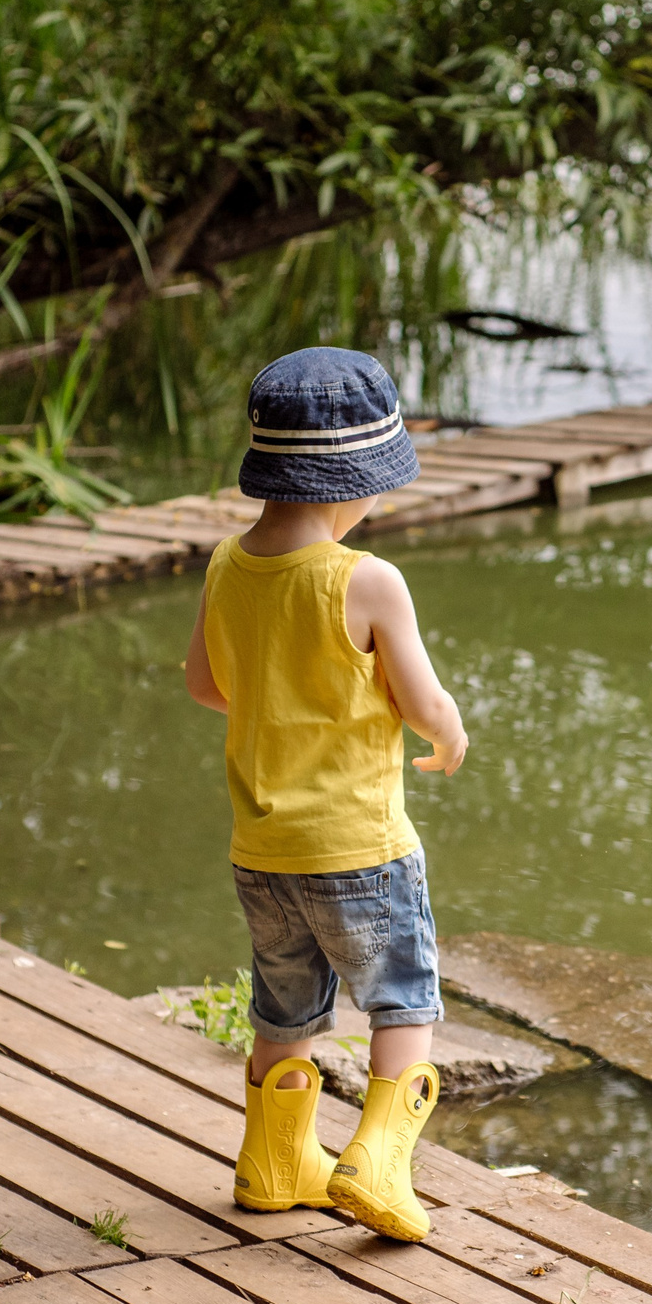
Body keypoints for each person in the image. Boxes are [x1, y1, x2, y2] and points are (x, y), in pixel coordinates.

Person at [183, 346, 468, 1241]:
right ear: (358, 484)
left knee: (286, 1009)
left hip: (263, 854)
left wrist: (278, 696)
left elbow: (205, 683)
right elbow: (420, 701)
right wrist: (448, 731)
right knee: (404, 1000)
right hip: (362, 848)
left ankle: (273, 1167)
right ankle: (375, 1166)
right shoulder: (367, 579)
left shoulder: (227, 565)